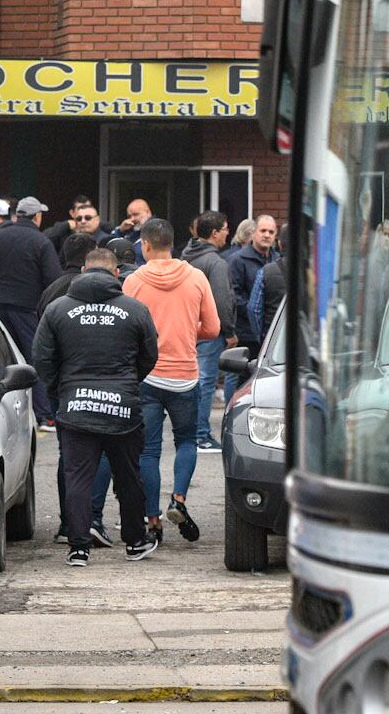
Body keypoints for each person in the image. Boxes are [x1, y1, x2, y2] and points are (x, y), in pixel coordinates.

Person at [32, 247, 159, 566]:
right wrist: (129, 382)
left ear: (83, 272)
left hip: (75, 406)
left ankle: (78, 547)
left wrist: (60, 392)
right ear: (116, 273)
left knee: (77, 477)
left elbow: (42, 358)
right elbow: (149, 355)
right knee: (129, 476)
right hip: (124, 408)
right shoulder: (136, 309)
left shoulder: (58, 310)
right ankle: (135, 541)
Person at [123, 218, 219, 543]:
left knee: (148, 451)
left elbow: (126, 327)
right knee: (187, 441)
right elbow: (214, 328)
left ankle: (152, 520)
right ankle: (178, 499)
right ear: (173, 243)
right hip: (185, 376)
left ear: (145, 245)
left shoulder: (134, 281)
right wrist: (190, 332)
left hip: (147, 376)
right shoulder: (196, 277)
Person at [40, 231, 112, 545]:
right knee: (102, 450)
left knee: (67, 455)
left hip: (63, 384)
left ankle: (68, 523)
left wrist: (52, 383)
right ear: (90, 260)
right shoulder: (104, 291)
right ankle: (92, 518)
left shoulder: (50, 291)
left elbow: (41, 347)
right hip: (102, 381)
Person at [0, 197, 64, 426]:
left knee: (5, 359)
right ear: (36, 216)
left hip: (0, 307)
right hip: (28, 309)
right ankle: (44, 414)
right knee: (35, 358)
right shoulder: (41, 241)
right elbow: (53, 280)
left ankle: (4, 413)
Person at [180, 211, 237, 453]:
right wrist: (230, 330)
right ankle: (201, 435)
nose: (228, 233)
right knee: (205, 382)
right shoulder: (216, 262)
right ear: (214, 233)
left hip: (188, 327)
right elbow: (222, 300)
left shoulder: (187, 256)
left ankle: (192, 432)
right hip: (209, 331)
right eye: (225, 229)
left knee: (194, 382)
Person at [226, 215, 280, 398]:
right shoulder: (237, 260)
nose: (267, 235)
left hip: (270, 334)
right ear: (254, 233)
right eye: (263, 231)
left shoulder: (277, 260)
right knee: (238, 381)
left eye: (271, 232)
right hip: (245, 332)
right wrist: (254, 310)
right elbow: (233, 295)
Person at [246, 224, 289, 344]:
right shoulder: (313, 271)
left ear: (279, 243)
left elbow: (254, 309)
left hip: (274, 340)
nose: (266, 235)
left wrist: (264, 337)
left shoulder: (266, 271)